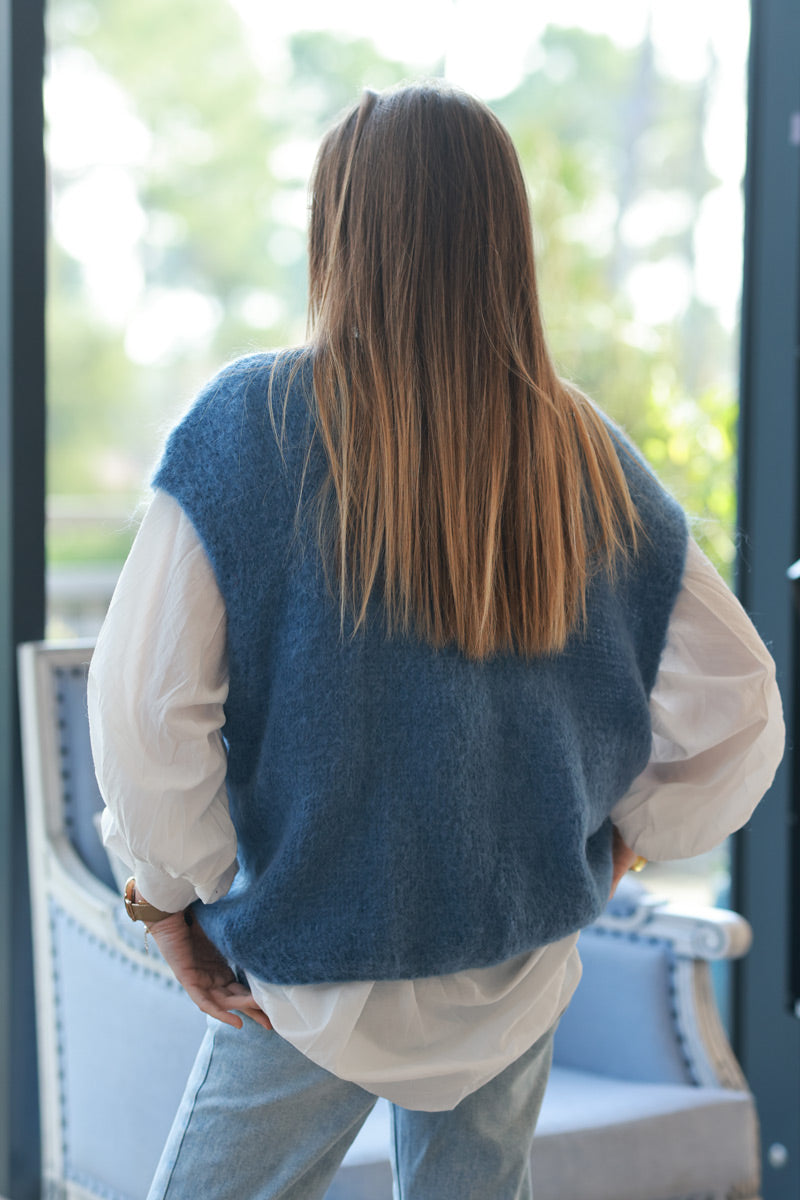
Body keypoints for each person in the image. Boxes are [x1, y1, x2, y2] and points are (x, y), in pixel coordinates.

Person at [88, 82, 784, 1200]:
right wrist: (626, 843)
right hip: (513, 950)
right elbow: (738, 698)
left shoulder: (252, 424)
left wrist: (174, 898)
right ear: (502, 234)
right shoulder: (581, 450)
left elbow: (144, 710)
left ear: (341, 229)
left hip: (315, 959)